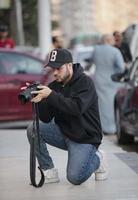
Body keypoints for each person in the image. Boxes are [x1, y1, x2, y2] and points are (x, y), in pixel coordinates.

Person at [26, 48, 108, 185]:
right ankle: (49, 171)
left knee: (75, 177)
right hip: (64, 133)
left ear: (69, 65)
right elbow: (46, 118)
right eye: (53, 69)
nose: (55, 73)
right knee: (33, 129)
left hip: (84, 138)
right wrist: (39, 100)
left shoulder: (85, 83)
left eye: (59, 68)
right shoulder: (54, 86)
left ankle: (99, 158)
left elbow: (76, 108)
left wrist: (51, 95)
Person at [91, 34, 125, 135]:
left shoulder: (96, 49)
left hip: (99, 79)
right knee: (112, 104)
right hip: (112, 80)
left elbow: (92, 61)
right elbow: (121, 68)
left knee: (101, 104)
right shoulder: (115, 51)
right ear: (110, 40)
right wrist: (115, 72)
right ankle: (112, 128)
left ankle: (102, 127)